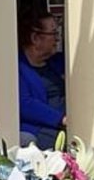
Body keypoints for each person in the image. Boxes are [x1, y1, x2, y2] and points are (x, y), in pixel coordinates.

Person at [18, 12, 66, 148]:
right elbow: (24, 104)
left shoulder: (56, 62)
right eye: (54, 34)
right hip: (41, 132)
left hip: (66, 129)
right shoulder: (18, 68)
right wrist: (61, 119)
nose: (57, 39)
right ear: (35, 38)